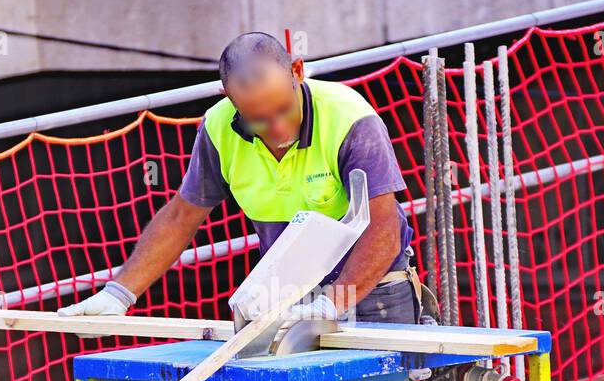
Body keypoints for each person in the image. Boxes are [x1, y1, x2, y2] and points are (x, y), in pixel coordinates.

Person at [58, 31, 422, 325]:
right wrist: (120, 292)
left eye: (282, 109)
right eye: (258, 118)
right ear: (228, 97)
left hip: (376, 295)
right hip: (288, 300)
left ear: (297, 71)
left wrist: (332, 303)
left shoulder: (349, 118)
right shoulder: (218, 129)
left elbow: (384, 229)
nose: (276, 128)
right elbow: (181, 216)